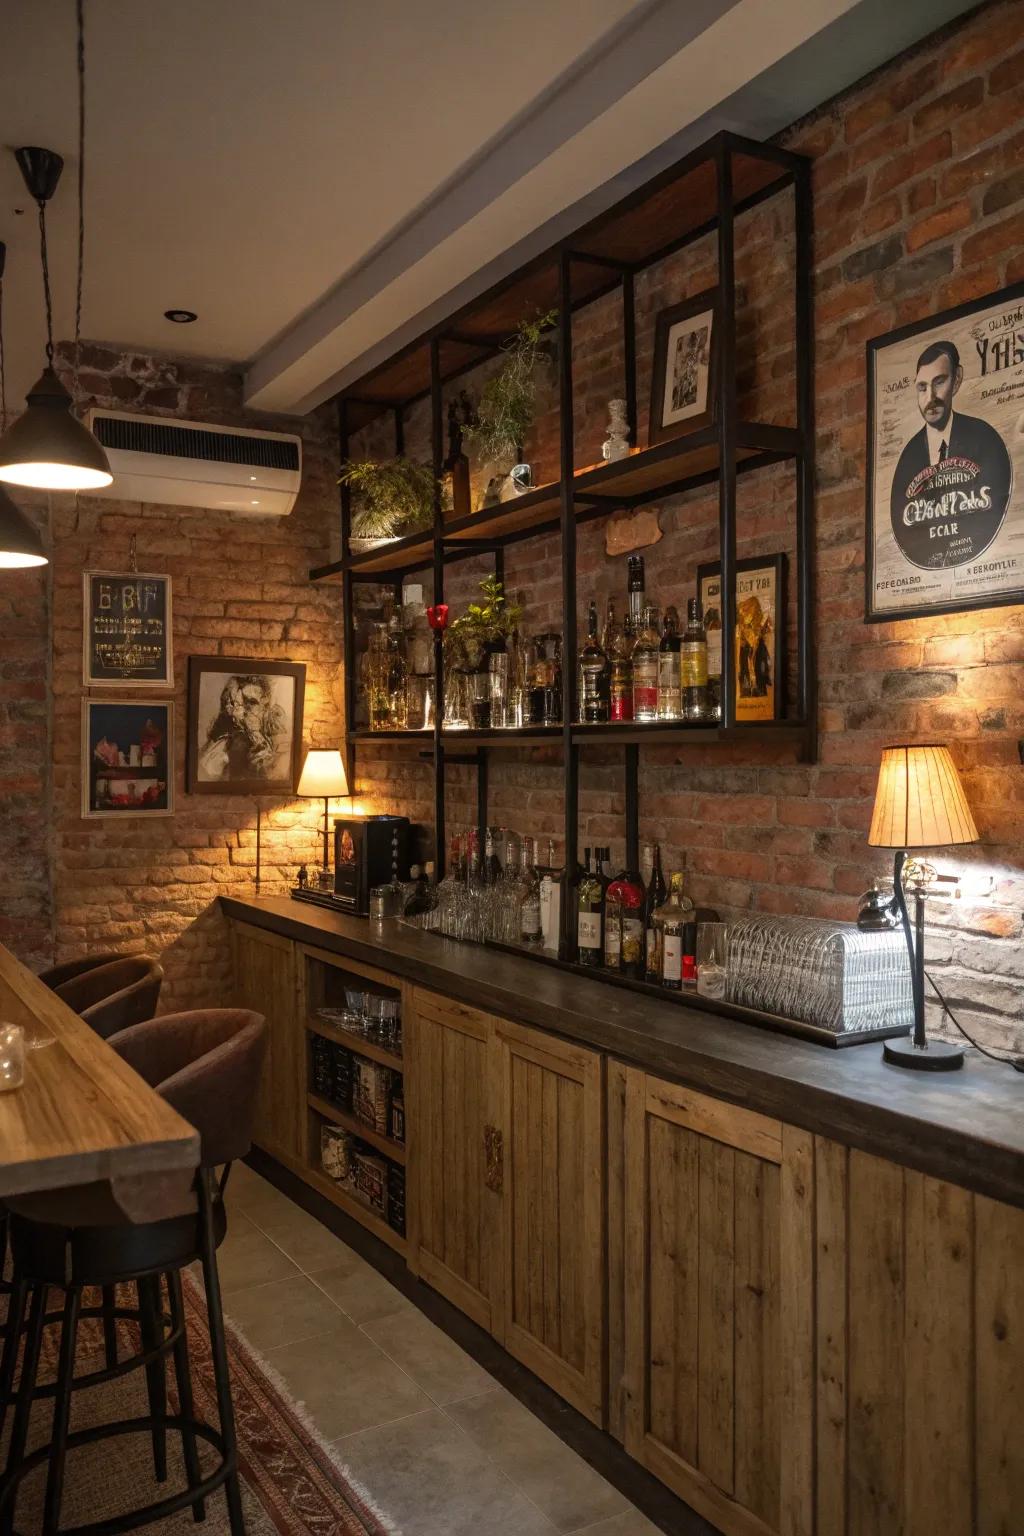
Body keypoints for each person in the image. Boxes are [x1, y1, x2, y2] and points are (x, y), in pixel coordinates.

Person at [889, 340, 1012, 564]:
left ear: (957, 380)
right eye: (922, 387)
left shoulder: (985, 439)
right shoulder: (908, 457)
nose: (930, 398)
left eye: (939, 382)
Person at [198, 674, 288, 781]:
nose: (240, 711)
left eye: (251, 703)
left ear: (266, 706)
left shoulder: (278, 740)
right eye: (235, 703)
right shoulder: (224, 746)